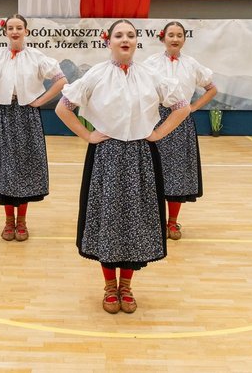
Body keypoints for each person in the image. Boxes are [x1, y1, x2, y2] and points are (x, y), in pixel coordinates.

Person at [55, 19, 190, 314]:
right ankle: (108, 286)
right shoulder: (96, 75)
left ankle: (127, 285)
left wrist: (158, 134)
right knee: (108, 218)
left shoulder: (150, 75)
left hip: (141, 154)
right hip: (107, 154)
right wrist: (88, 135)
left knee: (136, 220)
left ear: (136, 41)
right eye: (119, 35)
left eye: (130, 35)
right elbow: (62, 108)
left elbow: (182, 107)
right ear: (109, 40)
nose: (125, 39)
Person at [0, 14, 67, 241]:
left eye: (19, 27)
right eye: (10, 28)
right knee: (5, 168)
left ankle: (22, 222)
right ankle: (8, 221)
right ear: (5, 32)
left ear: (26, 31)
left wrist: (40, 101)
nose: (15, 31)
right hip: (3, 115)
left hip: (28, 115)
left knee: (26, 168)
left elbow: (60, 80)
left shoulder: (36, 57)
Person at [142, 21, 217, 240]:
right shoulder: (150, 63)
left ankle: (172, 223)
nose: (175, 39)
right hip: (156, 121)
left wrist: (192, 107)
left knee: (177, 175)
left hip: (182, 122)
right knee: (154, 172)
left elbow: (212, 89)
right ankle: (154, 223)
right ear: (163, 37)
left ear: (184, 39)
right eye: (171, 35)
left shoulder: (192, 64)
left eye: (179, 35)